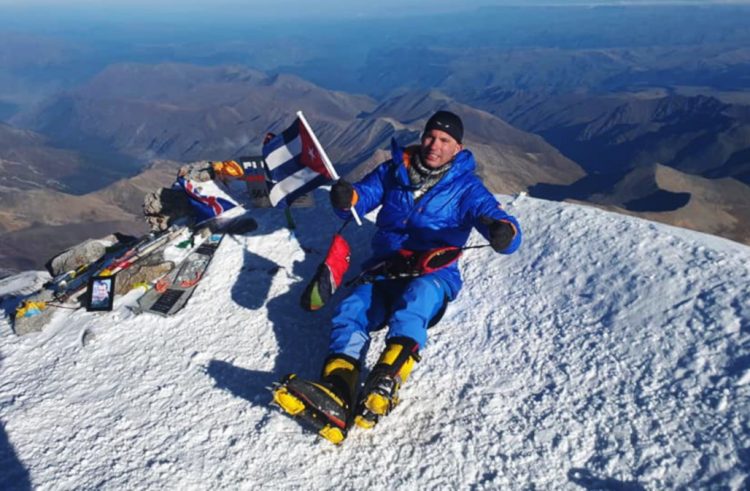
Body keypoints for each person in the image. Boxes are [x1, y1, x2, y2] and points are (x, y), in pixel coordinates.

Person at [273, 110, 522, 443]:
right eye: (431, 136)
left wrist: (503, 231)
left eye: (444, 140)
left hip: (433, 272)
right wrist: (346, 199)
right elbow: (361, 199)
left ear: (458, 147)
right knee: (352, 310)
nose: (435, 145)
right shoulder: (394, 170)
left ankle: (386, 379)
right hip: (385, 268)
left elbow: (497, 220)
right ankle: (338, 390)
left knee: (416, 302)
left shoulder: (467, 189)